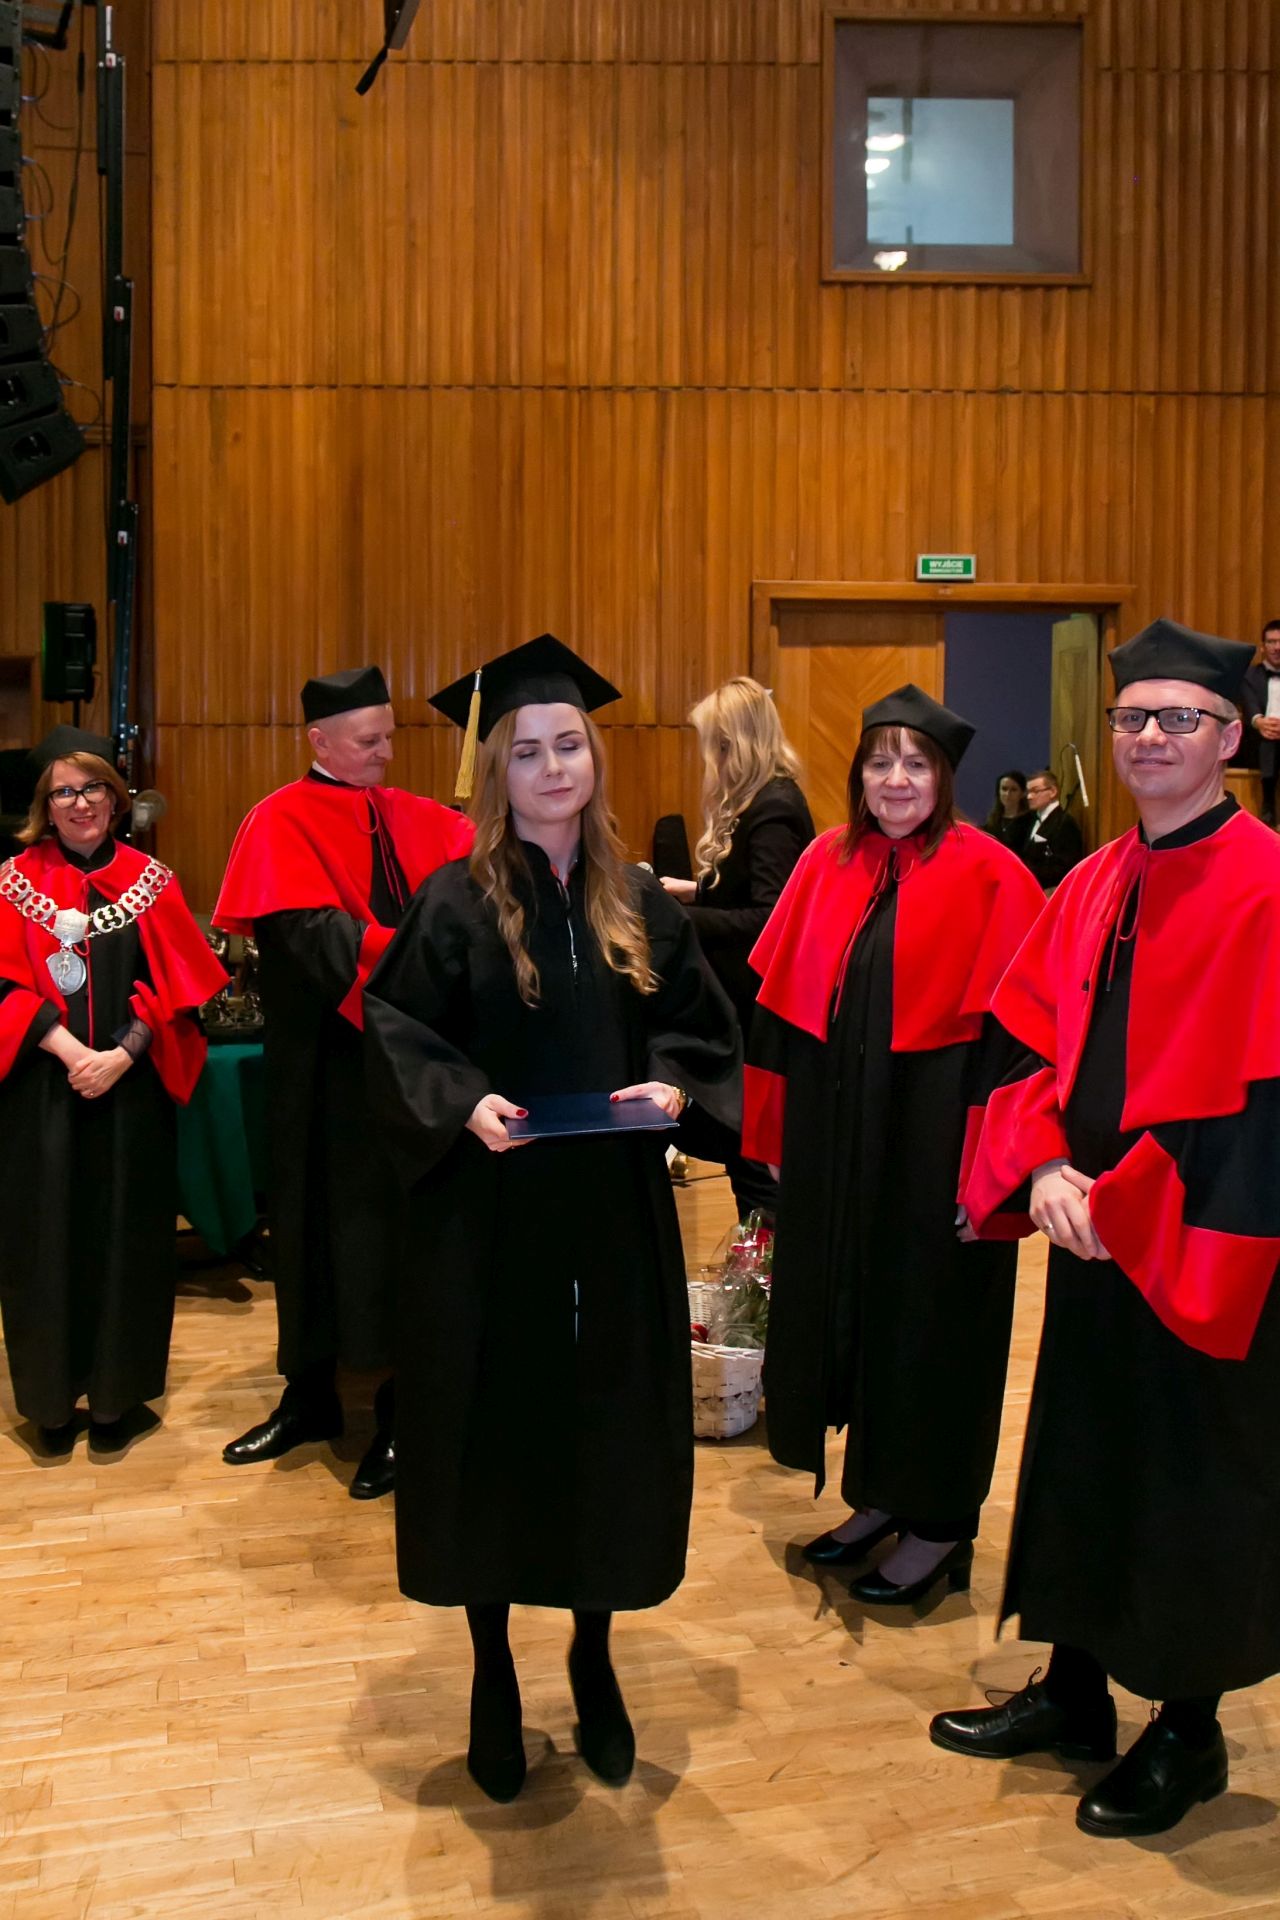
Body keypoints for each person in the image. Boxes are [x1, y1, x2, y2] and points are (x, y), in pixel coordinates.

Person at [363, 634, 740, 1802]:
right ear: (496, 772)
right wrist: (459, 1100)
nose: (551, 768)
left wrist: (671, 1085)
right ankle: (490, 1668)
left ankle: (591, 1653)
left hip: (608, 1218)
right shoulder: (453, 902)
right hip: (485, 1221)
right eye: (525, 751)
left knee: (603, 1433)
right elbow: (396, 1027)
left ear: (592, 757)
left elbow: (697, 1025)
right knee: (489, 1431)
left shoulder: (638, 902)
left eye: (567, 745)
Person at [932, 617, 1280, 1840]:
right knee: (1079, 1452)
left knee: (1191, 1476)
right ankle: (1074, 1686)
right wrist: (1037, 1168)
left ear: (1228, 739)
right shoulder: (1091, 879)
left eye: (1177, 719)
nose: (1147, 738)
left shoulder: (1267, 884)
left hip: (1206, 1236)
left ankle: (1186, 1728)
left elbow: (1255, 1105)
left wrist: (1117, 1198)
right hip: (1084, 1225)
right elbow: (1020, 1040)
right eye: (1132, 717)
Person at [742, 687, 1044, 1608]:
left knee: (932, 1327)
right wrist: (774, 1137)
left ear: (944, 777)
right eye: (880, 762)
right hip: (841, 1145)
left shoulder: (994, 876)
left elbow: (1022, 1045)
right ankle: (878, 1495)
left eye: (916, 763)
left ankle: (940, 1523)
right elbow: (779, 1015)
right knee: (859, 1316)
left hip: (936, 1149)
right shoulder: (829, 862)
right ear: (859, 775)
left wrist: (993, 1173)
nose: (896, 780)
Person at [213, 667, 473, 1498]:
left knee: (395, 1237)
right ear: (319, 741)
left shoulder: (418, 816)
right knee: (308, 1227)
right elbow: (314, 943)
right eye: (368, 741)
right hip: (322, 1069)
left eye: (390, 736)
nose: (386, 752)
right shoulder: (278, 821)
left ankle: (402, 1413)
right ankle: (309, 1398)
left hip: (404, 1071)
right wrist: (421, 970)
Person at [0, 726, 228, 1452]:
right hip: (41, 1092)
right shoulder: (11, 882)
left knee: (128, 1239)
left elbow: (179, 989)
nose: (80, 803)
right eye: (63, 791)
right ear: (44, 805)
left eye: (93, 787)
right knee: (44, 1241)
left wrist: (121, 1057)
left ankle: (114, 1401)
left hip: (132, 1094)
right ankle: (50, 1404)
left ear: (115, 795)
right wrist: (73, 1053)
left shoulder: (150, 881)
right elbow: (2, 985)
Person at [659, 676, 813, 1221]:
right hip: (745, 1006)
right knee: (745, 1150)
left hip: (757, 1014)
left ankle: (767, 1261)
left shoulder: (774, 808)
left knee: (754, 1161)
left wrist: (681, 917)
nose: (711, 760)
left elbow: (770, 919)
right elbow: (746, 890)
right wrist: (694, 891)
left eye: (715, 746)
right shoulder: (764, 799)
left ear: (734, 744)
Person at [1239, 616, 1280, 825]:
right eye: (1271, 642)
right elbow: (1249, 705)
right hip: (1257, 740)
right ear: (1263, 647)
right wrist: (1260, 722)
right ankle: (1268, 803)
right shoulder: (1249, 675)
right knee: (1268, 739)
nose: (1277, 647)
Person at [1021, 768, 1084, 890]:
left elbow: (1066, 866)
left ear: (1053, 791)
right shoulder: (1031, 820)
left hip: (1051, 891)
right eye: (1028, 791)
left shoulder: (1065, 823)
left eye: (1035, 791)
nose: (1029, 796)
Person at [982, 769, 1032, 854]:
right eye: (1004, 789)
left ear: (1023, 793)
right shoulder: (992, 821)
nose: (1008, 794)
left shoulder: (1029, 821)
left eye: (1013, 790)